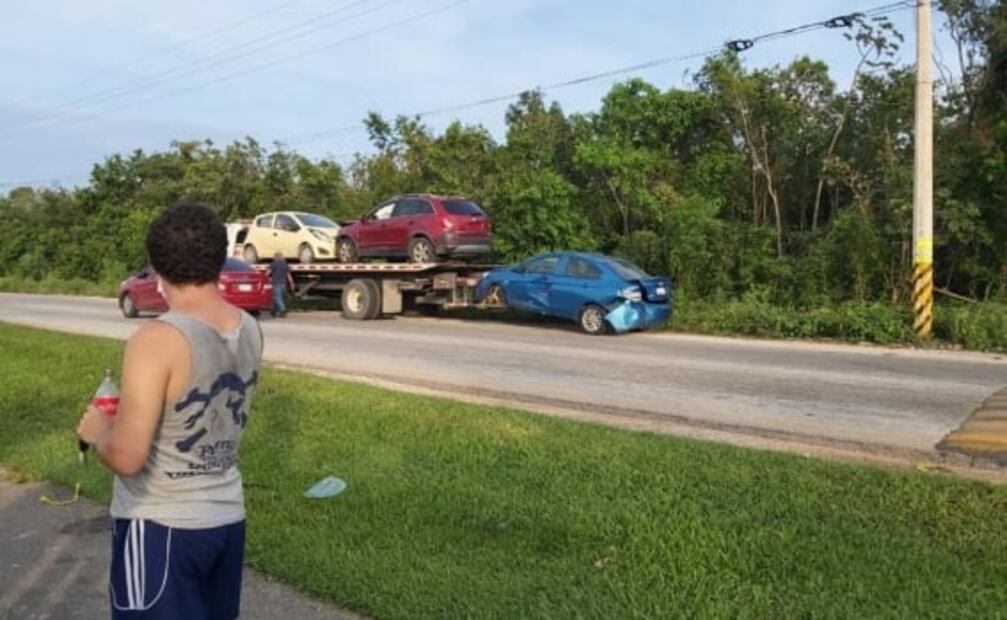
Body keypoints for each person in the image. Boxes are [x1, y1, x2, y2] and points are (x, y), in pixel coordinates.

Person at [76, 203, 263, 619]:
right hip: (226, 520)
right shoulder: (248, 326)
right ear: (221, 256)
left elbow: (127, 456)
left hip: (161, 525)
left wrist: (98, 430)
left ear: (156, 267)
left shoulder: (156, 339)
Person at [267, 251, 295, 318]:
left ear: (275, 257)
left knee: (277, 298)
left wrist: (266, 278)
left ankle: (283, 310)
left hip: (276, 283)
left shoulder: (273, 264)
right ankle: (273, 310)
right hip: (284, 284)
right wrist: (292, 283)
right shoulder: (285, 264)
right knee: (278, 298)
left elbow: (268, 273)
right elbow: (288, 275)